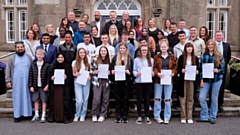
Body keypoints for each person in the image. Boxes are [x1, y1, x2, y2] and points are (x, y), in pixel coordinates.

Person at [196, 39, 225, 124]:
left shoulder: (219, 55)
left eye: (212, 45)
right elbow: (200, 69)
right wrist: (201, 80)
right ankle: (204, 116)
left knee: (214, 98)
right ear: (207, 46)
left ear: (214, 46)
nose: (210, 46)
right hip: (206, 80)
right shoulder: (204, 56)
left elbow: (223, 69)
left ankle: (212, 116)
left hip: (217, 79)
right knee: (201, 97)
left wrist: (218, 70)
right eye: (209, 45)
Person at [5, 41, 32, 122]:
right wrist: (8, 81)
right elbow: (8, 70)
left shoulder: (29, 57)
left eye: (21, 47)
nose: (20, 49)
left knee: (27, 98)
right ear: (15, 48)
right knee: (17, 98)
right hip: (16, 82)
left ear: (24, 47)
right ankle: (17, 115)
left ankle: (27, 114)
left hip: (27, 82)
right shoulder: (12, 58)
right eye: (18, 47)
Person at [153, 42, 177, 124]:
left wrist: (173, 73)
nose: (163, 48)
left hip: (169, 79)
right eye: (162, 47)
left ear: (167, 47)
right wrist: (157, 73)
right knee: (157, 98)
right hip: (158, 79)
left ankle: (167, 117)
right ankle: (157, 116)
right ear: (160, 48)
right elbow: (154, 67)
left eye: (165, 47)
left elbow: (175, 67)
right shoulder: (157, 56)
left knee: (167, 99)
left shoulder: (172, 56)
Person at [47, 53, 73, 123]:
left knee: (64, 103)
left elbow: (71, 78)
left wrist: (66, 77)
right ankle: (55, 117)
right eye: (58, 57)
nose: (60, 59)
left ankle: (64, 117)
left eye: (62, 57)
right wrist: (52, 78)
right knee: (55, 102)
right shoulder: (54, 66)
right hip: (56, 88)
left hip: (64, 88)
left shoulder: (67, 66)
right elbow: (50, 76)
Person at [110, 42, 133, 123]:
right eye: (121, 48)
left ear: (126, 49)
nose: (122, 49)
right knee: (118, 99)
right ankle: (118, 115)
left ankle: (124, 115)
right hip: (117, 82)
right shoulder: (115, 58)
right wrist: (112, 71)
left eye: (124, 48)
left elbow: (132, 71)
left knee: (125, 99)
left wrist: (129, 72)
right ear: (118, 49)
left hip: (126, 82)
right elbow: (111, 69)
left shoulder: (129, 59)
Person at [177, 43, 199, 124]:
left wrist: (197, 71)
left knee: (190, 98)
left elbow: (198, 68)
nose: (189, 49)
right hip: (183, 80)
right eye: (187, 47)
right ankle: (183, 116)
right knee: (183, 98)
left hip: (192, 80)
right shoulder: (181, 57)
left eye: (191, 47)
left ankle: (189, 116)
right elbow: (177, 68)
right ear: (185, 48)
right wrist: (181, 70)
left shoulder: (195, 58)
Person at [133, 45, 154, 125]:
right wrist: (136, 73)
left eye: (146, 50)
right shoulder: (136, 60)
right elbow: (134, 70)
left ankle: (146, 116)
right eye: (143, 50)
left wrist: (152, 73)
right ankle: (139, 116)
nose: (144, 51)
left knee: (147, 99)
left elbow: (152, 70)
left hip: (148, 81)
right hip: (139, 81)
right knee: (139, 99)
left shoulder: (151, 60)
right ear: (140, 51)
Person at [28, 48, 51, 123]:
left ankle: (43, 114)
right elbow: (30, 76)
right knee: (35, 100)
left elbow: (48, 76)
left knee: (44, 100)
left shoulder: (47, 65)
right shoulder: (33, 64)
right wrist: (30, 85)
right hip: (35, 85)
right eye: (38, 54)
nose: (39, 56)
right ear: (36, 55)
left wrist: (48, 85)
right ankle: (36, 114)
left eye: (41, 54)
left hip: (43, 85)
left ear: (44, 55)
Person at [91, 46, 111, 122]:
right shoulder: (95, 60)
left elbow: (112, 70)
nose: (103, 52)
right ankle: (94, 114)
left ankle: (103, 114)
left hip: (106, 81)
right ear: (99, 52)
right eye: (102, 51)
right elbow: (90, 70)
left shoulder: (109, 60)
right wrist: (94, 72)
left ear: (107, 52)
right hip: (97, 81)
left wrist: (110, 72)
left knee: (105, 99)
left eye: (104, 51)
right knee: (96, 99)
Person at [213, 31, 231, 111]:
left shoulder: (227, 45)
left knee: (221, 87)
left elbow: (229, 57)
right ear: (215, 36)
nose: (219, 37)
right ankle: (212, 103)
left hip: (222, 69)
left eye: (220, 35)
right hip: (213, 68)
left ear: (222, 36)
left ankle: (220, 104)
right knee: (212, 87)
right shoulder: (212, 45)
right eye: (217, 35)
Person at [72, 48, 91, 122]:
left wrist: (89, 75)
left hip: (86, 81)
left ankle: (83, 114)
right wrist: (76, 74)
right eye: (80, 53)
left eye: (83, 52)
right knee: (79, 100)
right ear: (78, 54)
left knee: (85, 99)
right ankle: (77, 114)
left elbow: (90, 71)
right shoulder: (74, 62)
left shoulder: (88, 61)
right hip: (78, 81)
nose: (82, 54)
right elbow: (73, 73)